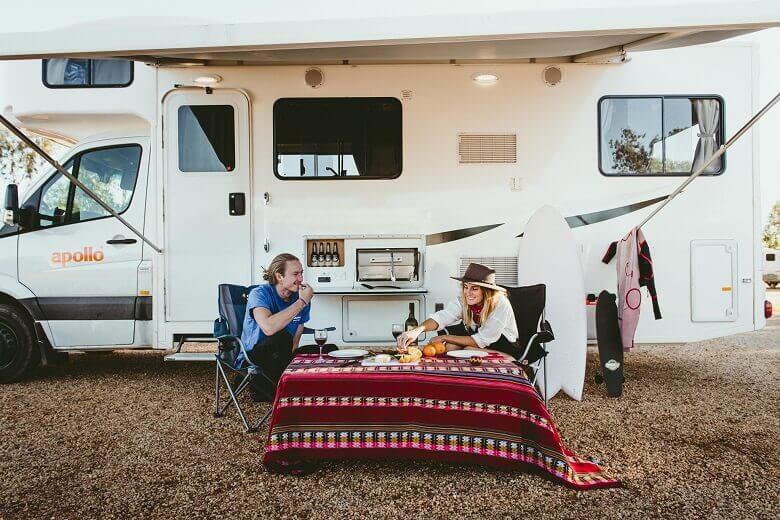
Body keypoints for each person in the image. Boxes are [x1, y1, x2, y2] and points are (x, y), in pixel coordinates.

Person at [240, 253, 334, 400]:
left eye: (301, 273)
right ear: (279, 276)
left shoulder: (299, 298)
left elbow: (295, 341)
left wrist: (295, 359)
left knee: (330, 351)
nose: (301, 279)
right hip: (256, 355)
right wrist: (302, 301)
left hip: (282, 354)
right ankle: (279, 390)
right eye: (296, 274)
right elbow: (268, 328)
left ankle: (313, 390)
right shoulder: (259, 294)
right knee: (281, 338)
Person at [397, 262, 520, 358]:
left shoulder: (500, 304)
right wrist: (417, 331)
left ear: (486, 292)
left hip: (504, 347)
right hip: (480, 343)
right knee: (450, 347)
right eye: (466, 287)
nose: (468, 293)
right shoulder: (464, 301)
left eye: (474, 289)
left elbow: (480, 341)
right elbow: (442, 317)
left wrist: (445, 337)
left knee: (466, 350)